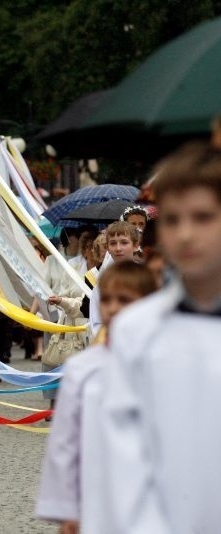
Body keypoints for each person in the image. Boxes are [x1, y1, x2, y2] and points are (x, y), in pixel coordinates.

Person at [96, 142, 221, 532]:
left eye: (202, 218)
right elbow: (120, 449)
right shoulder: (136, 329)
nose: (185, 235)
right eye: (172, 219)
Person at [36, 261, 157, 533]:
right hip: (98, 483)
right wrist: (65, 508)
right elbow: (66, 439)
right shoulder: (82, 368)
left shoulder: (162, 363)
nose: (113, 308)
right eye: (107, 300)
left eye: (125, 300)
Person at [87, 221, 139, 339]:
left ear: (135, 245)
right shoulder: (103, 282)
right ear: (108, 248)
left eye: (124, 243)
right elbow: (96, 321)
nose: (118, 248)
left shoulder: (147, 277)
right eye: (113, 244)